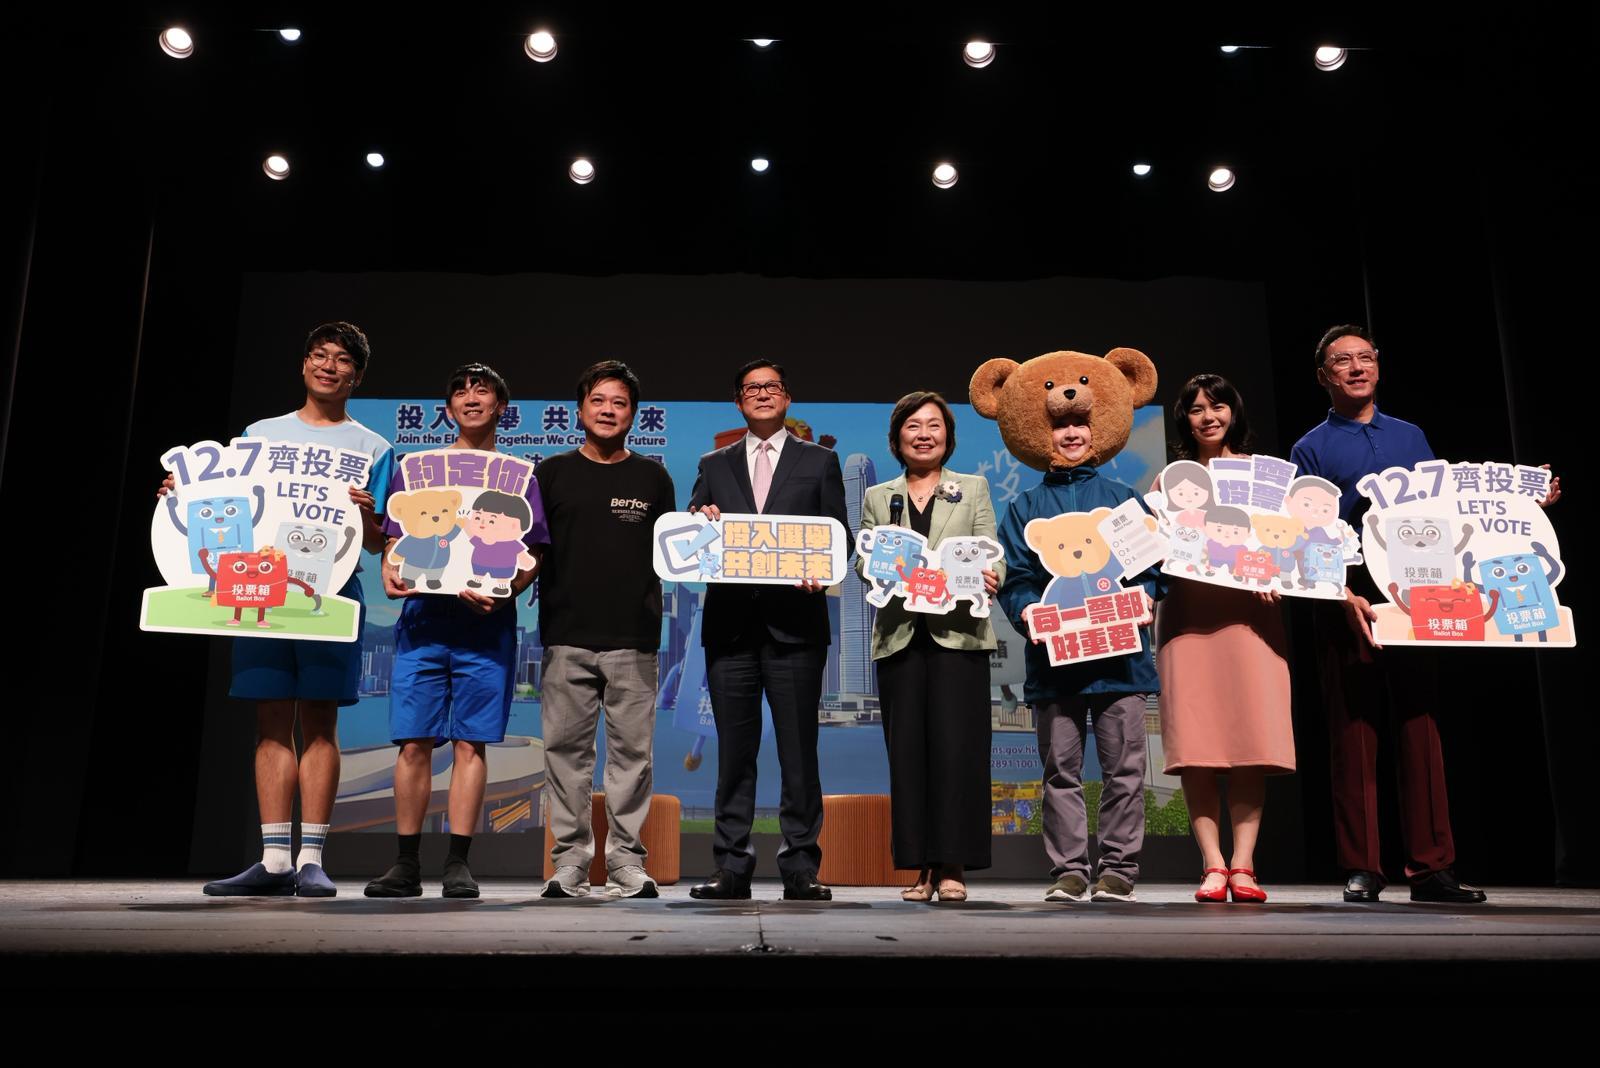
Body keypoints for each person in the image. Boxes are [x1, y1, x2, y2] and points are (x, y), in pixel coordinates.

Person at [1290, 324, 1557, 904]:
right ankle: (1363, 867)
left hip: (1418, 594)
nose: (1357, 368)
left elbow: (1455, 511)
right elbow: (1309, 535)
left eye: (1366, 357)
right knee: (1353, 732)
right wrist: (1340, 595)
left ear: (1379, 367)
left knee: (1421, 725)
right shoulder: (1310, 447)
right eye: (1343, 361)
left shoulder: (1412, 436)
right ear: (1323, 377)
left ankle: (1432, 868)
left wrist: (1522, 501)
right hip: (1351, 597)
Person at [160, 322, 393, 897]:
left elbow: (377, 541)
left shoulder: (374, 447)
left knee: (320, 720)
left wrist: (366, 514)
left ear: (356, 376)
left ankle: (312, 858)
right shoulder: (260, 435)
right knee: (270, 719)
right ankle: (274, 860)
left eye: (342, 360)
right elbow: (229, 504)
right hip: (258, 591)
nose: (329, 366)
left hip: (332, 593)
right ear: (304, 364)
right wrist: (180, 495)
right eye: (319, 355)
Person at [364, 363, 546, 899]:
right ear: (448, 410)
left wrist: (506, 590)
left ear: (500, 409)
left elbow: (532, 550)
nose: (471, 398)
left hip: (485, 626)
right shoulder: (417, 467)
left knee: (472, 743)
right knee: (413, 742)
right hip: (423, 621)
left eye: (483, 390)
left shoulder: (520, 474)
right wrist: (388, 574)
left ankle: (458, 863)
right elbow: (394, 540)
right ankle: (405, 863)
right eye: (461, 391)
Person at [686, 360, 849, 901]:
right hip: (730, 628)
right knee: (735, 754)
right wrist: (700, 517)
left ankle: (800, 867)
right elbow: (692, 533)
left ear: (787, 397)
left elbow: (837, 538)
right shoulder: (714, 464)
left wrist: (819, 575)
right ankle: (732, 868)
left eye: (770, 387)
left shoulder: (820, 462)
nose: (761, 394)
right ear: (738, 401)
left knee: (800, 753)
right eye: (750, 388)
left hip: (797, 628)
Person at [997, 410, 1164, 904]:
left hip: (1121, 663)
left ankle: (1117, 869)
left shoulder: (1123, 502)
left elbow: (1151, 568)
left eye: (1079, 425)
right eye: (1059, 426)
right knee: (1060, 773)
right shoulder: (1024, 507)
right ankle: (1069, 871)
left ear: (1096, 433)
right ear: (1040, 435)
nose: (1070, 434)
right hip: (1055, 663)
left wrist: (1149, 594)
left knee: (1125, 771)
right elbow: (1016, 577)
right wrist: (1027, 609)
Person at [536, 361, 676, 900]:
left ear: (633, 415)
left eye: (619, 403)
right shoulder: (549, 475)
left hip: (634, 638)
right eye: (599, 401)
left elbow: (674, 553)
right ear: (581, 411)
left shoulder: (653, 478)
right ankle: (569, 863)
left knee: (632, 760)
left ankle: (625, 863)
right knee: (565, 757)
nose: (608, 410)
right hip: (566, 635)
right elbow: (528, 549)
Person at [1152, 375, 1293, 904]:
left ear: (1234, 411)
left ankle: (1245, 865)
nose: (1208, 416)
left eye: (1217, 406)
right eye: (1195, 409)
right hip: (1187, 620)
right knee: (1198, 748)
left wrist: (1277, 574)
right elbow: (1150, 552)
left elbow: (1290, 544)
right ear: (1183, 420)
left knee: (1250, 745)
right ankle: (1212, 865)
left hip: (1250, 621)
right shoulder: (1168, 482)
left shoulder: (1265, 479)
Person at [856, 392, 1001, 903]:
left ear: (948, 436)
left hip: (958, 637)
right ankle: (919, 867)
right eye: (913, 426)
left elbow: (991, 551)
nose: (924, 434)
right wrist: (877, 567)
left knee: (957, 752)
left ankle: (954, 865)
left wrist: (990, 575)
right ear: (897, 437)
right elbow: (864, 558)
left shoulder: (973, 488)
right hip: (899, 638)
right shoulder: (880, 495)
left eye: (934, 425)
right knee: (909, 754)